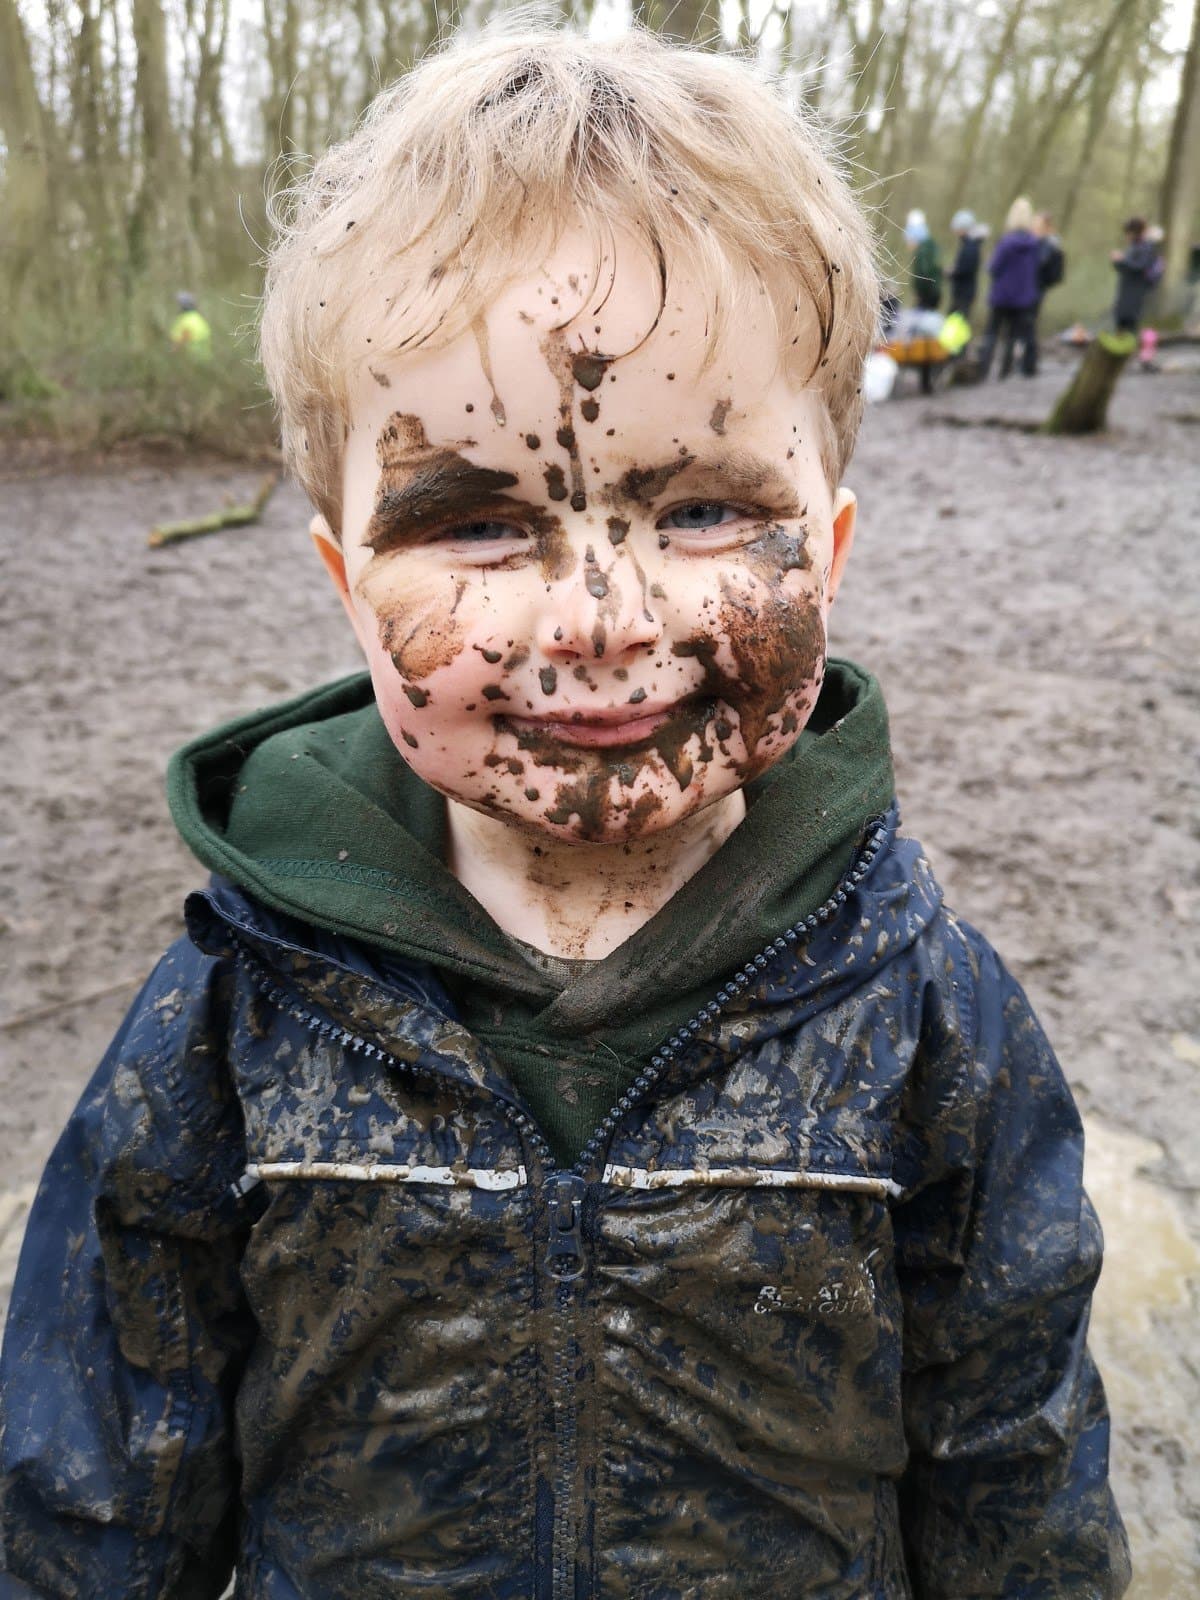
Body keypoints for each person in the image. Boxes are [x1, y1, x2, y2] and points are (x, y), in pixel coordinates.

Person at [0, 20, 1130, 1598]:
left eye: (709, 508)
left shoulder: (930, 1013)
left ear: (836, 548)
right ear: (342, 582)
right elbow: (94, 1493)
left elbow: (1016, 1477)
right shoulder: (232, 1010)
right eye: (474, 524)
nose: (599, 616)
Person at [978, 196, 1042, 379]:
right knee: (1012, 336)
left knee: (992, 332)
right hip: (1023, 298)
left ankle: (983, 369)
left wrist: (989, 263)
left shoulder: (1006, 242)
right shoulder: (1034, 244)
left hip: (1002, 296)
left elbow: (994, 268)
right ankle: (1004, 372)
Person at [1024, 210, 1066, 376]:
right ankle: (1028, 362)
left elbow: (1038, 264)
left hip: (1035, 288)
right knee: (1028, 324)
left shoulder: (1046, 244)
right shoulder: (1045, 242)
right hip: (1035, 287)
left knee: (1029, 323)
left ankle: (1029, 364)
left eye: (1037, 224)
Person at [1111, 216, 1157, 332]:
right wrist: (1116, 261)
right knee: (1120, 318)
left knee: (1130, 321)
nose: (1126, 236)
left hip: (1136, 290)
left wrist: (1122, 260)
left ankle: (1130, 346)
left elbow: (1140, 267)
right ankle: (1119, 346)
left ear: (1134, 232)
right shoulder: (1133, 246)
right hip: (1126, 288)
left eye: (1128, 233)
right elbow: (1125, 268)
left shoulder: (1146, 247)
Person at [946, 207, 983, 320]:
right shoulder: (969, 244)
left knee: (957, 321)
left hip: (964, 292)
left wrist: (952, 272)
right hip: (963, 291)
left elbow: (966, 268)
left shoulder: (970, 246)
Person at [904, 208, 942, 309]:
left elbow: (923, 274)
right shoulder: (930, 247)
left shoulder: (923, 251)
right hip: (932, 295)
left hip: (926, 297)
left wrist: (919, 293)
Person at [169, 290, 213, 359]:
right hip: (202, 357)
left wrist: (173, 351)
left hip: (191, 357)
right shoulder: (197, 317)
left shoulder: (186, 319)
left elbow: (185, 336)